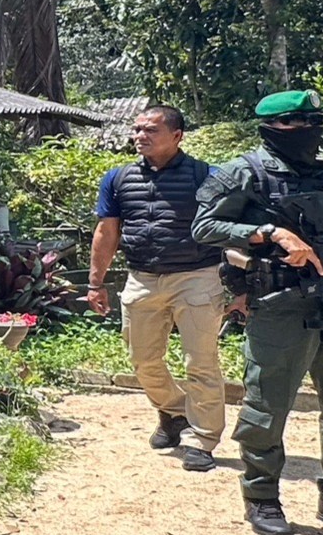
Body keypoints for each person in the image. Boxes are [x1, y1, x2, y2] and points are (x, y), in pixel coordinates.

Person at [192, 89, 323, 535]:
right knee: (267, 406)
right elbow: (203, 227)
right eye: (292, 122)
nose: (304, 130)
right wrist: (268, 232)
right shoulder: (245, 173)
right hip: (282, 307)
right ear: (270, 127)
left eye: (311, 121)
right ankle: (262, 496)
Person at [87, 105, 227, 471]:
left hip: (197, 276)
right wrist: (95, 283)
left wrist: (241, 283)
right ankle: (174, 412)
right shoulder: (118, 178)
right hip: (142, 277)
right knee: (142, 360)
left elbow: (229, 228)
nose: (140, 136)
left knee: (201, 362)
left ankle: (203, 440)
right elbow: (106, 232)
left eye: (150, 130)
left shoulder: (208, 176)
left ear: (177, 136)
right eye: (137, 129)